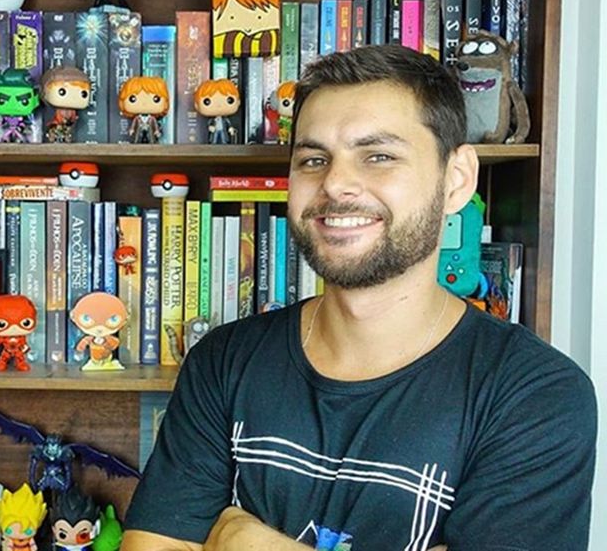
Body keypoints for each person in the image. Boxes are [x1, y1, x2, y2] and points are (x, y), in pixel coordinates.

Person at [121, 46, 597, 551]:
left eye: (378, 156)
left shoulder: (535, 395)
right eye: (312, 159)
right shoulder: (223, 360)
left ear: (456, 179)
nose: (336, 183)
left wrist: (250, 542)